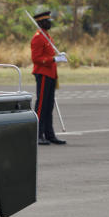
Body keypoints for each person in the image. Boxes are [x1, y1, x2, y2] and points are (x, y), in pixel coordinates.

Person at [31, 11, 68, 145]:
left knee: (49, 105)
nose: (50, 23)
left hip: (51, 74)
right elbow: (36, 59)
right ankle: (38, 134)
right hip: (43, 73)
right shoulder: (38, 38)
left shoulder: (47, 37)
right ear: (41, 23)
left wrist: (58, 57)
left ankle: (49, 134)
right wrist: (53, 59)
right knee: (41, 105)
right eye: (47, 21)